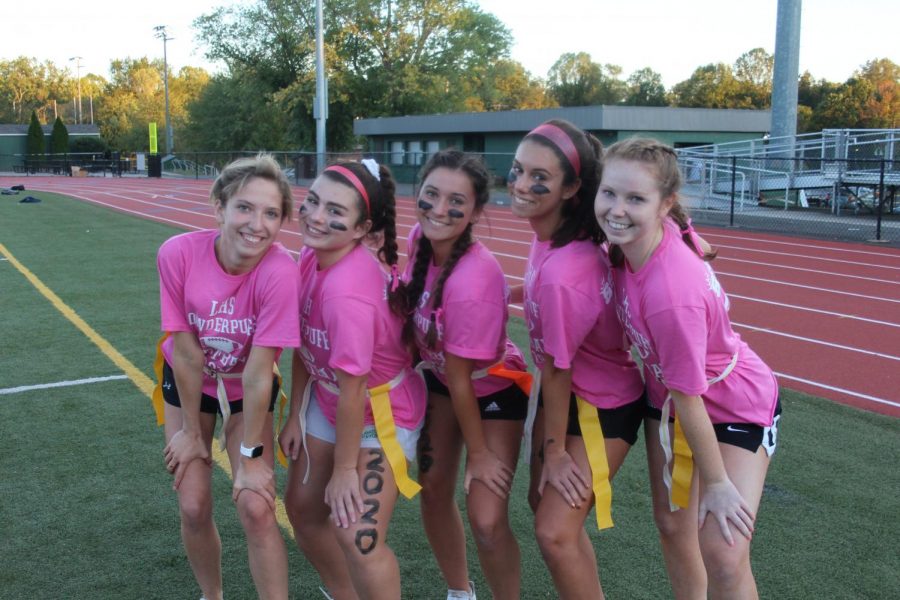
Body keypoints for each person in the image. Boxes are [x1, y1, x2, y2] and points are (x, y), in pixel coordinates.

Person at [595, 137, 781, 599]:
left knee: (724, 550)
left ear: (664, 204)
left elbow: (690, 396)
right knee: (674, 526)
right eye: (609, 193)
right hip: (672, 398)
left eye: (636, 198)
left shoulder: (669, 296)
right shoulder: (631, 240)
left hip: (731, 402)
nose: (617, 209)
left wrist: (716, 483)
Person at [507, 120, 646, 599]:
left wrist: (556, 451)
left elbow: (558, 366)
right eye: (518, 170)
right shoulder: (554, 236)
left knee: (554, 531)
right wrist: (515, 290)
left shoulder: (565, 271)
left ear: (571, 188)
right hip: (569, 393)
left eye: (539, 177)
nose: (523, 185)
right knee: (545, 509)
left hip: (600, 405)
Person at [153, 154, 299, 600]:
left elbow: (259, 373)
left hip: (245, 384)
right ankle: (211, 595)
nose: (257, 224)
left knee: (257, 507)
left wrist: (253, 456)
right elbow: (186, 352)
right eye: (245, 207)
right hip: (189, 380)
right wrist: (191, 434)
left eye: (271, 213)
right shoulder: (177, 253)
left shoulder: (280, 270)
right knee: (193, 502)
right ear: (220, 207)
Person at [279, 159, 426, 600]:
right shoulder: (310, 256)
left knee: (357, 536)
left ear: (363, 228)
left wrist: (345, 470)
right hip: (329, 398)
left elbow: (355, 389)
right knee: (303, 510)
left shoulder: (347, 293)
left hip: (380, 412)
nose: (318, 217)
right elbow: (305, 344)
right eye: (314, 202)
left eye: (336, 211)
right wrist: (295, 413)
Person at [405, 149, 532, 600]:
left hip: (492, 391)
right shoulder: (418, 242)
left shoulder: (473, 278)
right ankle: (460, 593)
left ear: (477, 211)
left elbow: (463, 379)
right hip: (445, 382)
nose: (439, 209)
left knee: (486, 517)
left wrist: (478, 454)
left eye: (456, 201)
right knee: (433, 490)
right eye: (431, 194)